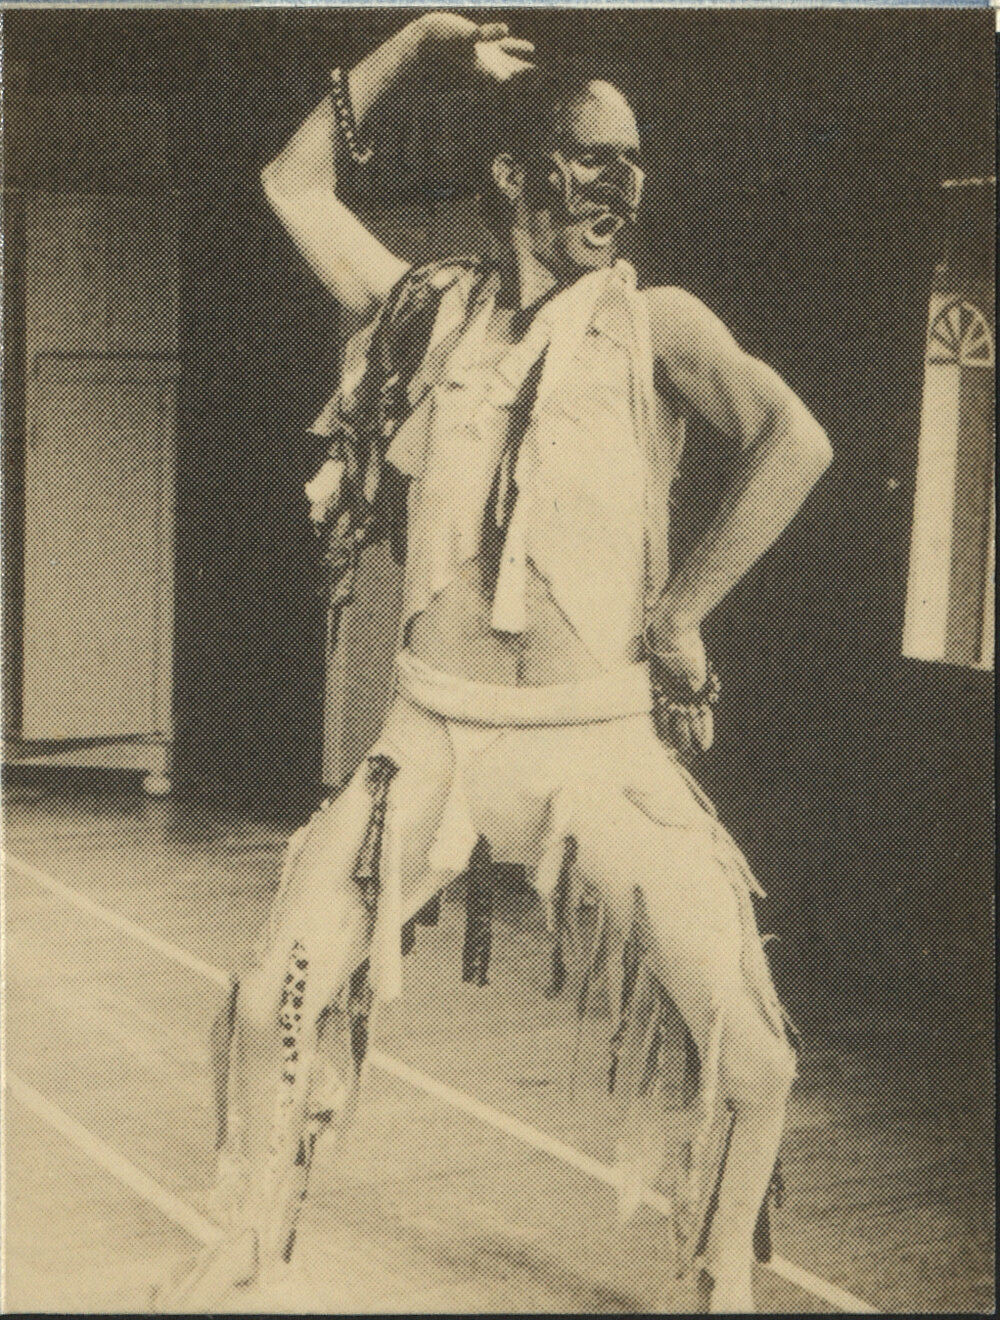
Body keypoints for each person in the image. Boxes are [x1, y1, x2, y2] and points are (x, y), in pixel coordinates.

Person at [154, 13, 832, 1313]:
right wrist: (412, 41)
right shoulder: (428, 312)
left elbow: (791, 441)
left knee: (756, 1058)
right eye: (589, 159)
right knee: (264, 999)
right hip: (434, 739)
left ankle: (717, 1285)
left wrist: (685, 609)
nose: (620, 191)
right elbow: (291, 184)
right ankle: (244, 1238)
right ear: (516, 175)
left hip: (597, 746)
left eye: (634, 167)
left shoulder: (657, 325)